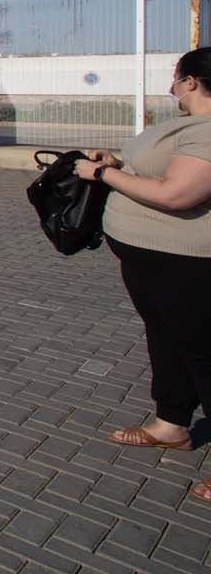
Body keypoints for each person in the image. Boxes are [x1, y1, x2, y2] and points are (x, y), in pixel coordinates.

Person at [75, 48, 211, 504]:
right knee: (166, 338)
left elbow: (178, 193)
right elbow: (156, 171)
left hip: (188, 263)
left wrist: (101, 175)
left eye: (175, 78)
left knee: (202, 351)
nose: (170, 86)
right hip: (151, 258)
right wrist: (116, 164)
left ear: (191, 80)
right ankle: (171, 424)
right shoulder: (186, 124)